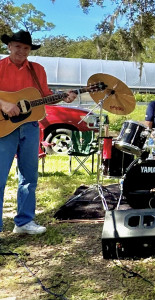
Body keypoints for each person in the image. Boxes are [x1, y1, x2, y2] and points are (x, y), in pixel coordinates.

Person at [0, 30, 77, 234]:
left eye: (26, 48)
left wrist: (63, 97)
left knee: (29, 176)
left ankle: (24, 222)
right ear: (9, 47)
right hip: (4, 127)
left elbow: (44, 96)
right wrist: (5, 104)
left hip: (31, 126)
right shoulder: (0, 66)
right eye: (17, 46)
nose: (21, 51)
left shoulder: (37, 69)